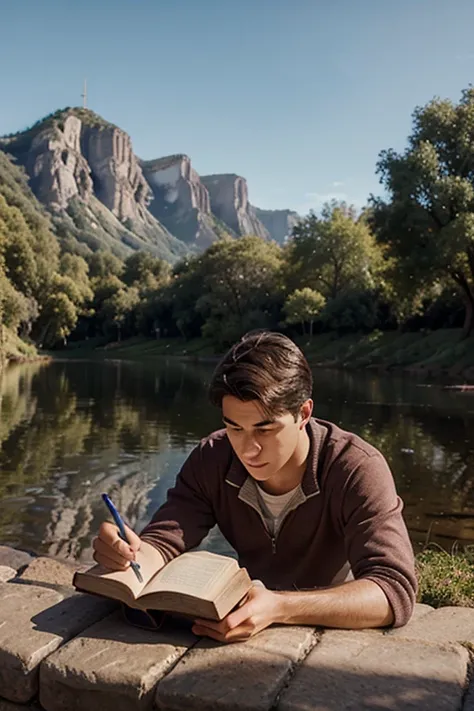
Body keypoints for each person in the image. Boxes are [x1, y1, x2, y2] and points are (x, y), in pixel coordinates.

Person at [93, 330, 417, 643]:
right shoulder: (212, 459)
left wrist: (280, 607)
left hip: (329, 628)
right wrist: (128, 555)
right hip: (240, 626)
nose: (248, 450)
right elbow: (164, 541)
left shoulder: (356, 467)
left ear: (303, 413)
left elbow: (393, 589)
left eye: (265, 430)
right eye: (235, 428)